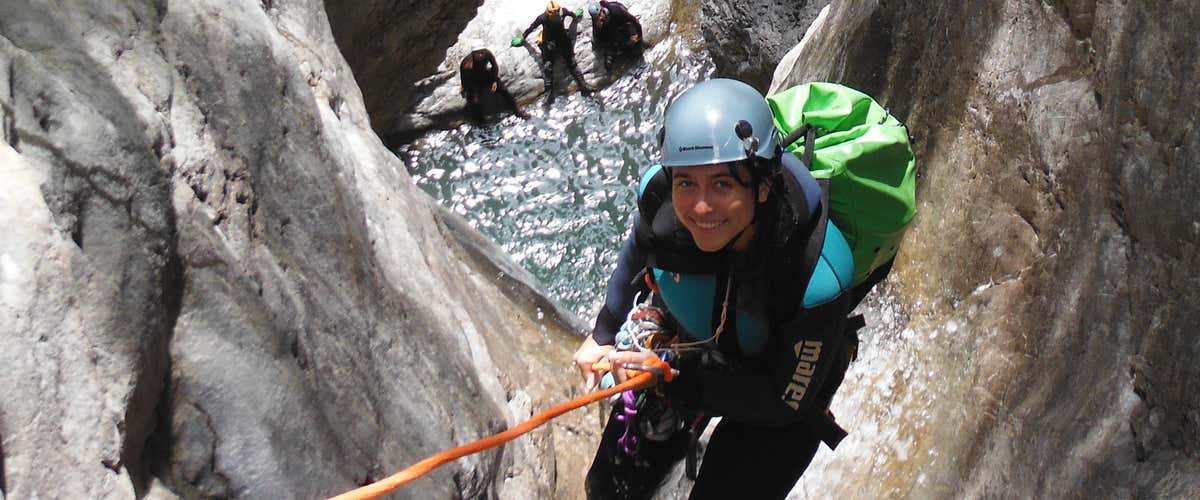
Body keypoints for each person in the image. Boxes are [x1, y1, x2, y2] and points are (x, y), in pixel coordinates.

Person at [572, 79, 862, 499]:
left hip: (775, 393)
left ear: (762, 185)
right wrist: (603, 333)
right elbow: (637, 245)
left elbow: (782, 403)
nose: (701, 207)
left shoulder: (818, 277)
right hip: (681, 352)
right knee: (608, 489)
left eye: (722, 185)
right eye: (686, 183)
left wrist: (672, 376)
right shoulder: (659, 201)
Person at [520, 1, 594, 108]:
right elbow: (532, 27)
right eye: (554, 15)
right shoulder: (543, 18)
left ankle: (583, 85)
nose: (556, 17)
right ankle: (549, 94)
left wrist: (575, 16)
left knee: (571, 62)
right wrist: (523, 38)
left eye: (557, 14)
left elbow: (570, 14)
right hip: (549, 42)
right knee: (548, 67)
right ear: (549, 14)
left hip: (562, 40)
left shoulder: (562, 12)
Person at [459, 48, 529, 122]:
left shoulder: (487, 53)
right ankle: (481, 122)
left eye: (481, 53)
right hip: (474, 80)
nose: (480, 55)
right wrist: (474, 93)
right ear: (473, 54)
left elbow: (495, 67)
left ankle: (517, 111)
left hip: (485, 74)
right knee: (474, 102)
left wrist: (494, 81)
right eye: (478, 54)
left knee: (504, 90)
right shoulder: (467, 63)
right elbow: (465, 80)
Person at [587, 1, 644, 73]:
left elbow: (634, 21)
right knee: (608, 60)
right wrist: (599, 28)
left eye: (599, 16)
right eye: (596, 18)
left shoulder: (616, 10)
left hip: (623, 23)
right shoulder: (596, 21)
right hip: (611, 30)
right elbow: (598, 39)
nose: (599, 18)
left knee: (634, 46)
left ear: (602, 10)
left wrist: (639, 36)